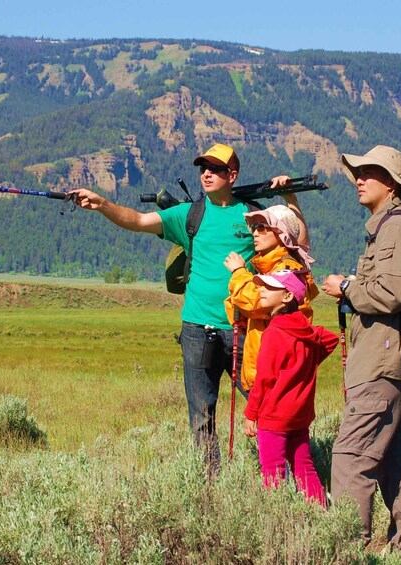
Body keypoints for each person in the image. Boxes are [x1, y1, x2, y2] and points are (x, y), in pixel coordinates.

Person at [68, 142, 303, 473]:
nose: (206, 173)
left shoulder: (253, 215)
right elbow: (137, 220)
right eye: (203, 168)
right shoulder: (190, 214)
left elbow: (297, 243)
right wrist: (103, 204)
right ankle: (207, 489)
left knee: (267, 405)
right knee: (201, 418)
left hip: (244, 329)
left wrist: (290, 198)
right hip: (196, 329)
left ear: (231, 175)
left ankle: (281, 476)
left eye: (215, 169)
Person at [320, 145, 401, 560]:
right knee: (395, 462)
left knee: (350, 459)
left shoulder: (398, 227)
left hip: (382, 363)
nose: (359, 178)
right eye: (359, 171)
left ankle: (348, 550)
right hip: (392, 362)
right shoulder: (390, 226)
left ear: (392, 184)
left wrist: (346, 289)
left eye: (369, 172)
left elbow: (396, 292)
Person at [243, 271, 338, 506]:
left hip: (274, 416)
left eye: (269, 287)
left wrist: (250, 414)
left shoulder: (274, 332)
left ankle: (278, 522)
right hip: (300, 416)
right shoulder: (305, 330)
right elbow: (330, 339)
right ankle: (321, 514)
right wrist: (305, 362)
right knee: (304, 468)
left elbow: (264, 380)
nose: (261, 290)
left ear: (287, 296)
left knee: (273, 473)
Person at [223, 204, 319, 393]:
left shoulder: (287, 270)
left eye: (262, 227)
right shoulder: (272, 268)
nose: (255, 233)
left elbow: (255, 303)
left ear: (282, 233)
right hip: (267, 370)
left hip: (274, 374)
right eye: (253, 228)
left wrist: (238, 272)